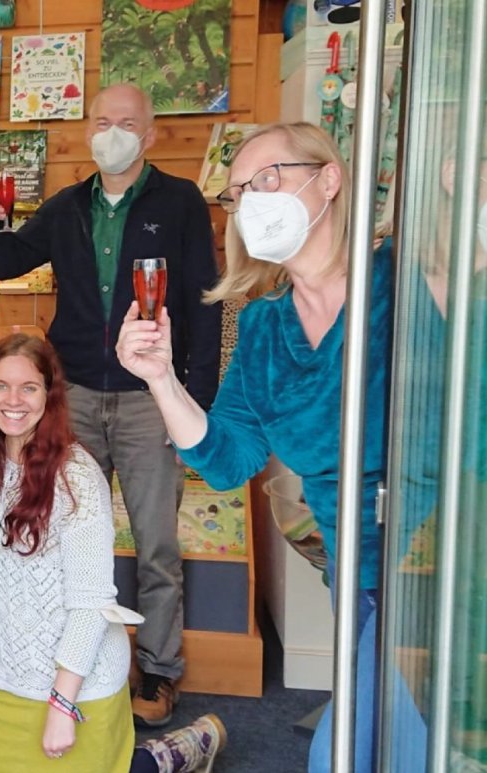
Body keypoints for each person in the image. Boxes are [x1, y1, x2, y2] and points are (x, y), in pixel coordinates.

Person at [115, 121, 424, 772]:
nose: (252, 201)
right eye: (236, 193)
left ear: (329, 178)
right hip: (361, 579)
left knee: (350, 751)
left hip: (436, 571)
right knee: (382, 743)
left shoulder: (407, 282)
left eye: (268, 179)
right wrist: (161, 378)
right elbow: (227, 457)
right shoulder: (262, 326)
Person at [0, 83, 223, 726]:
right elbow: (3, 262)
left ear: (149, 134)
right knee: (59, 537)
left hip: (151, 400)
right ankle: (68, 666)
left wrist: (195, 401)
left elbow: (205, 297)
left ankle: (161, 672)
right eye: (101, 121)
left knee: (156, 547)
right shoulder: (67, 206)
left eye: (125, 123)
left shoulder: (180, 202)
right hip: (75, 396)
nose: (110, 132)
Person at [0, 334, 226, 773]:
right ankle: (173, 751)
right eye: (1, 386)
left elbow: (92, 605)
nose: (13, 400)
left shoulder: (77, 478)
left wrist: (62, 704)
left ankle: (180, 751)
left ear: (50, 396)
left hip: (78, 684)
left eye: (29, 388)